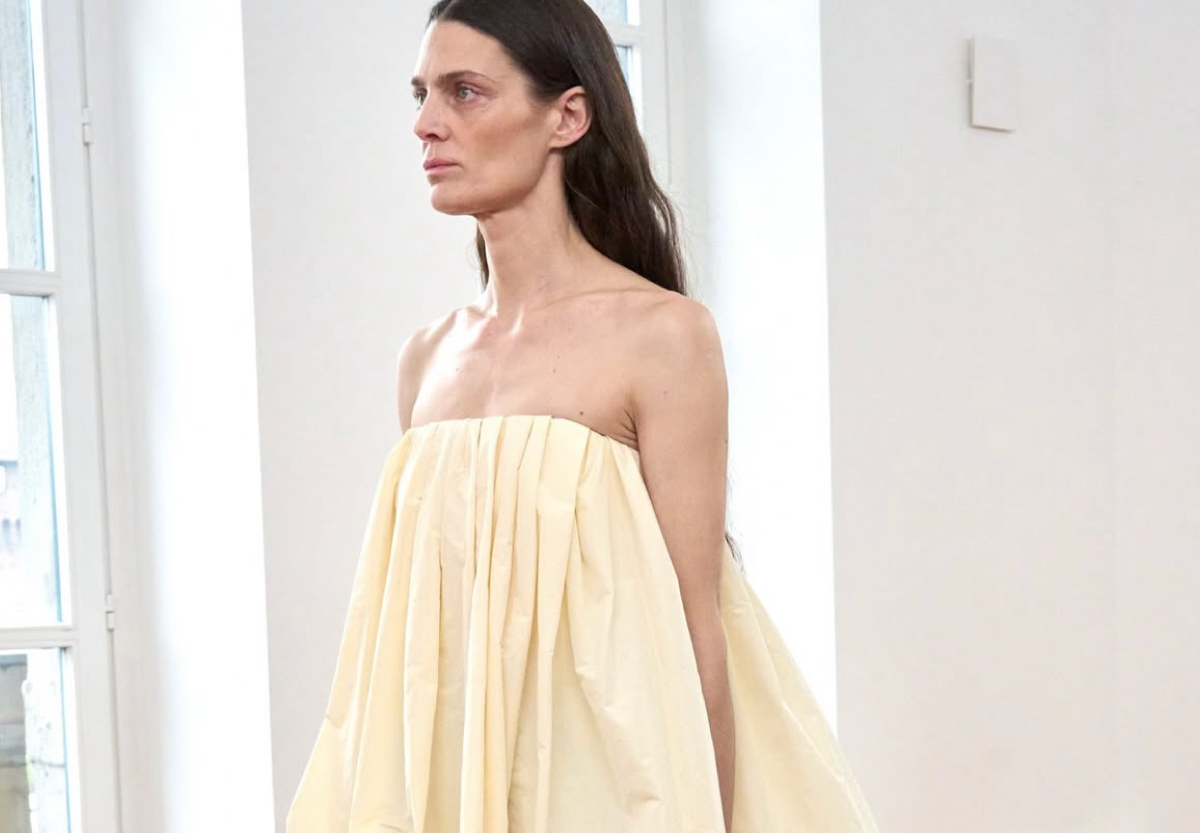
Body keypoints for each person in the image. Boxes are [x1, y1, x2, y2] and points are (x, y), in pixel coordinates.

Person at [286, 1, 880, 831]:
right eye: (421, 94)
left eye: (464, 91)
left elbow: (698, 626)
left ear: (567, 116)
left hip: (615, 797)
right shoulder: (425, 361)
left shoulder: (662, 337)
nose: (426, 124)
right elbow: (416, 656)